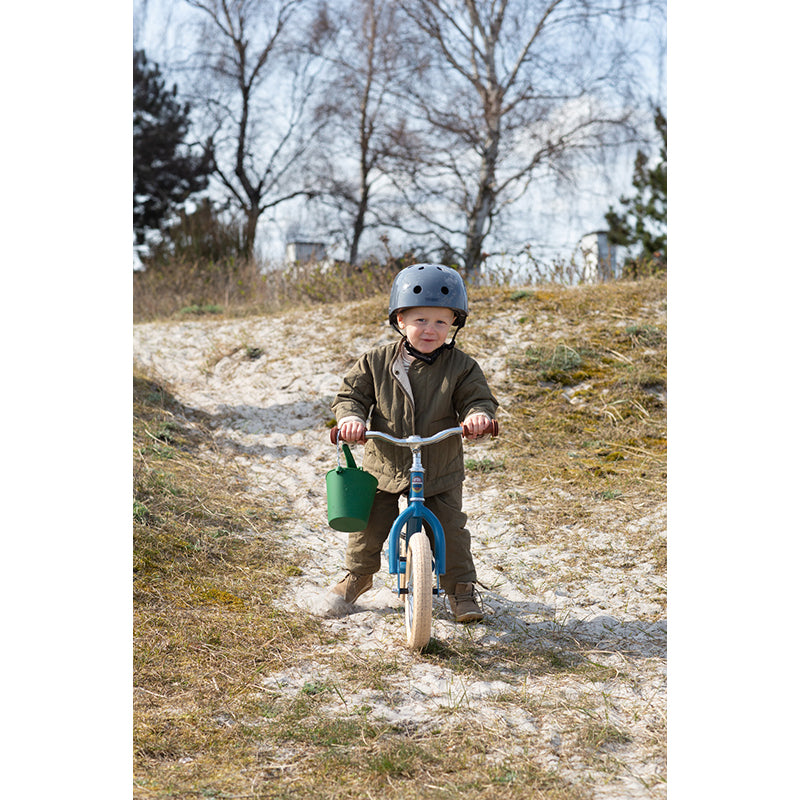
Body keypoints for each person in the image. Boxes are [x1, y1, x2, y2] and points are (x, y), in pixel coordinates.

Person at [329, 263, 499, 622]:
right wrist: (351, 419)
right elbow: (351, 395)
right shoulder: (375, 362)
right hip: (386, 461)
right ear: (400, 321)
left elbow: (477, 398)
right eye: (420, 320)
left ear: (454, 323)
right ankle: (357, 576)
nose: (430, 330)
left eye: (441, 321)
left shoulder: (462, 367)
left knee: (451, 527)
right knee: (369, 524)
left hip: (439, 464)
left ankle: (461, 590)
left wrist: (477, 416)